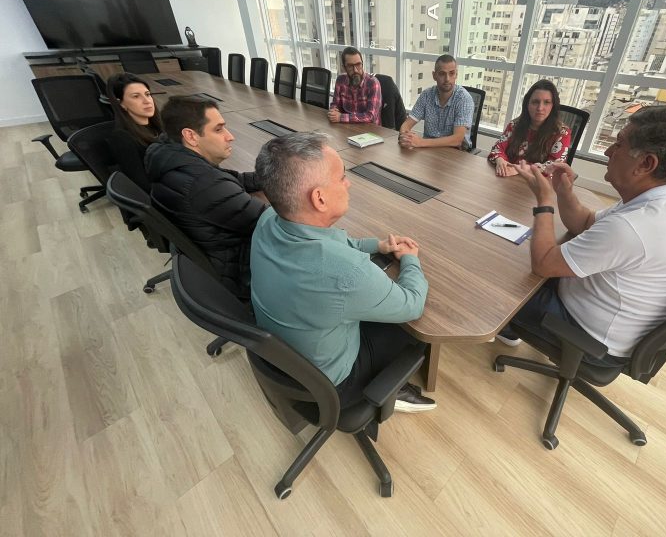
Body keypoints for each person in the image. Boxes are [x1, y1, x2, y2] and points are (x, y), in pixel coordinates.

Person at [497, 105, 666, 366]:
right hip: (620, 321)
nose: (608, 152)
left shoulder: (634, 228)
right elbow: (586, 222)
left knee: (498, 271)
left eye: (618, 144)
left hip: (590, 340)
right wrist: (563, 191)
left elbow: (543, 264)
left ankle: (499, 326)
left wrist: (544, 201)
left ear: (646, 163)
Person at [250, 132, 436, 412]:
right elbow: (412, 304)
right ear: (320, 199)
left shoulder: (268, 219)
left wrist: (379, 245)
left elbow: (333, 243)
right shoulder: (345, 271)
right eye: (341, 177)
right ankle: (390, 389)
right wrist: (410, 260)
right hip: (334, 385)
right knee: (414, 331)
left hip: (286, 358)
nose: (348, 183)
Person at [144, 96, 267, 300]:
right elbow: (270, 222)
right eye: (218, 129)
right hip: (240, 269)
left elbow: (230, 179)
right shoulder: (203, 183)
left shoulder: (170, 155)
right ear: (191, 136)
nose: (230, 136)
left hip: (211, 251)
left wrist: (275, 178)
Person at [487, 80, 572, 177]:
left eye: (547, 102)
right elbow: (497, 148)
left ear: (553, 106)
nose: (540, 108)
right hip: (508, 178)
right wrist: (500, 160)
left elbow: (554, 166)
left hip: (538, 185)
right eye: (535, 102)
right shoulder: (515, 125)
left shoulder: (562, 133)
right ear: (527, 104)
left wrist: (521, 169)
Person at [398, 54, 474, 149]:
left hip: (456, 153)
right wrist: (406, 138)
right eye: (442, 74)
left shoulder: (464, 99)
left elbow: (457, 140)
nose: (447, 79)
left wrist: (420, 142)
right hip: (428, 150)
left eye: (451, 73)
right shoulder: (426, 95)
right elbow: (406, 125)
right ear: (434, 76)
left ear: (456, 75)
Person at [106, 73, 164, 191]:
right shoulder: (122, 138)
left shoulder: (160, 126)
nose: (146, 101)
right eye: (136, 96)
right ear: (121, 103)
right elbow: (141, 185)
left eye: (147, 94)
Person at [328, 47, 382, 124]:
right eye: (350, 66)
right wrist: (333, 112)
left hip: (370, 131)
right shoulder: (340, 80)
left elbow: (371, 116)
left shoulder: (373, 83)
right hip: (347, 128)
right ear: (344, 67)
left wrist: (341, 117)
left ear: (362, 64)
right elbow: (335, 104)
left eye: (358, 64)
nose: (355, 70)